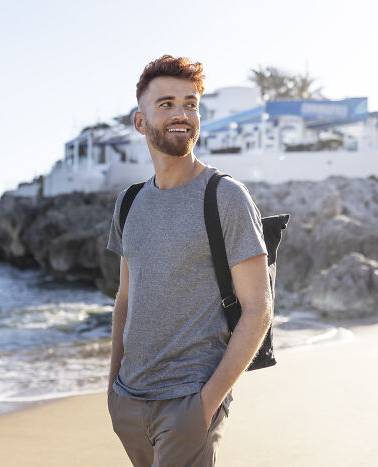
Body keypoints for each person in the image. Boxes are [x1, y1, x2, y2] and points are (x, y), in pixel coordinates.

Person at [106, 55, 272, 467]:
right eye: (166, 104)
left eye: (191, 103)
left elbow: (258, 308)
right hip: (129, 401)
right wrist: (112, 389)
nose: (182, 114)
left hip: (187, 402)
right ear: (140, 122)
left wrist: (204, 405)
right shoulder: (129, 203)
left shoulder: (226, 196)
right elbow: (125, 300)